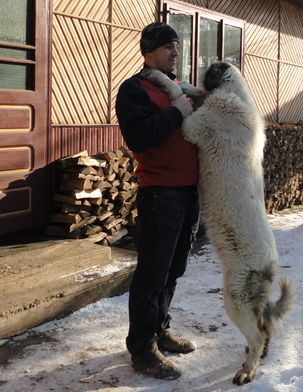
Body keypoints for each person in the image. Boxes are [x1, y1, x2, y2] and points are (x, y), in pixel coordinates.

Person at [115, 22, 200, 380]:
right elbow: (138, 136)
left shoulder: (179, 88)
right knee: (152, 273)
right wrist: (177, 113)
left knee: (173, 269)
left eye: (177, 47)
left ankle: (160, 330)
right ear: (148, 51)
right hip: (160, 193)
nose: (176, 53)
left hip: (189, 192)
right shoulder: (135, 89)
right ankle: (142, 348)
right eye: (168, 47)